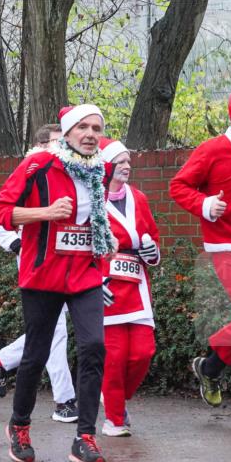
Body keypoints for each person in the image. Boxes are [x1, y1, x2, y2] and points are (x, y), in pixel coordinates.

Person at [0, 105, 117, 462]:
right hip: (43, 274)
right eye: (83, 127)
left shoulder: (100, 170)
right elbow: (1, 212)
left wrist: (105, 243)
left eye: (97, 127)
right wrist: (44, 213)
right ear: (68, 132)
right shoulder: (39, 165)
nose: (91, 133)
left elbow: (97, 220)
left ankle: (85, 437)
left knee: (93, 346)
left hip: (85, 275)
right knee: (36, 352)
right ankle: (20, 426)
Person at [170, 88, 231, 434]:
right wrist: (207, 205)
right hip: (229, 249)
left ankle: (210, 367)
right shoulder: (213, 150)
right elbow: (179, 187)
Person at [0, 123, 78, 424]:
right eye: (55, 142)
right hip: (35, 258)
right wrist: (15, 243)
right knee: (56, 329)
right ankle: (65, 400)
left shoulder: (68, 171)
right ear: (41, 145)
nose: (61, 147)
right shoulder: (32, 169)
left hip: (64, 258)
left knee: (49, 329)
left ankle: (0, 361)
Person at [98, 137, 161, 437]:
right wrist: (92, 281)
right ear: (106, 166)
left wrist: (152, 254)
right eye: (120, 161)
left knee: (143, 353)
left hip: (137, 286)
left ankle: (116, 399)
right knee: (114, 356)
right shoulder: (93, 200)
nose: (126, 166)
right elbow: (84, 247)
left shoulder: (140, 198)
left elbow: (153, 237)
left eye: (128, 161)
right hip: (107, 288)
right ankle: (114, 419)